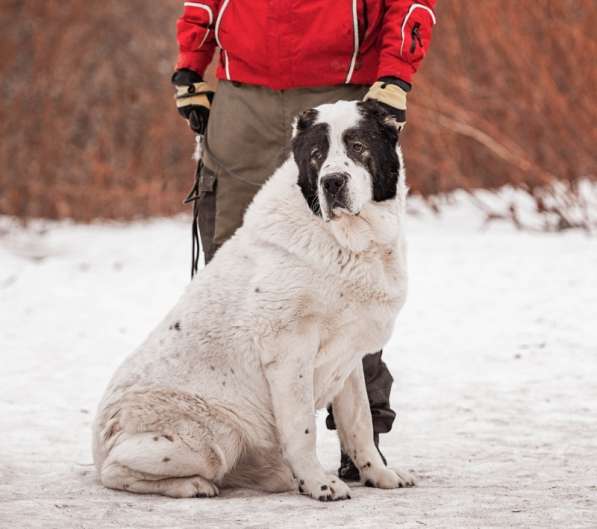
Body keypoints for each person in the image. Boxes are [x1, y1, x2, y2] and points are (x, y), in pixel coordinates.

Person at [172, 0, 436, 481]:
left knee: (357, 273)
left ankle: (361, 440)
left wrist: (395, 74)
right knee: (231, 269)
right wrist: (191, 64)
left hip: (340, 89)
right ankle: (231, 433)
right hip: (241, 97)